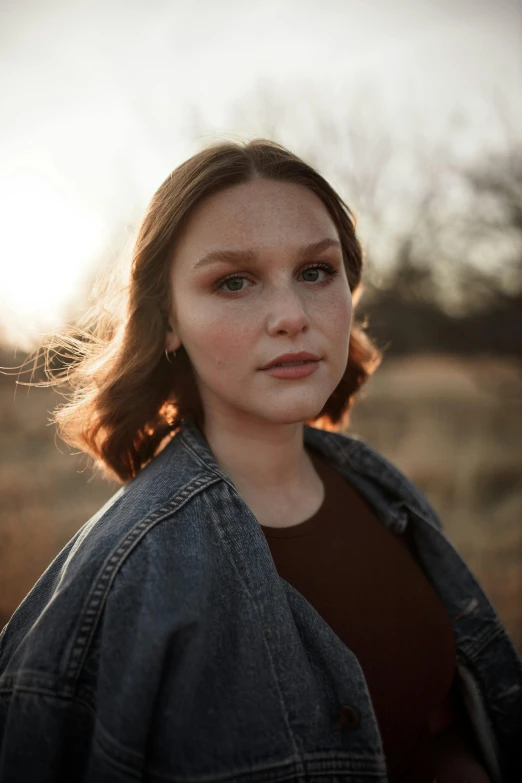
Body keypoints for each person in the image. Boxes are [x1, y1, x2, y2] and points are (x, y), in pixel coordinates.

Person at [0, 138, 520, 783]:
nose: (291, 317)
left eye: (315, 272)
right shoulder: (123, 576)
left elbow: (436, 726)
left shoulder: (384, 493)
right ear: (168, 323)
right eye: (234, 281)